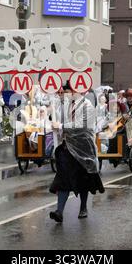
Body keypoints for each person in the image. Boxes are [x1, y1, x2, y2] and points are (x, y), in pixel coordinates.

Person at [49, 82, 105, 223]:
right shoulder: (65, 106)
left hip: (83, 149)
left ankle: (83, 207)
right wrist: (53, 119)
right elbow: (57, 122)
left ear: (76, 92)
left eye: (68, 92)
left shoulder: (88, 106)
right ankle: (59, 211)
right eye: (65, 92)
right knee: (63, 179)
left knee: (83, 180)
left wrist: (61, 126)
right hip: (67, 148)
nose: (66, 95)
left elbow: (81, 125)